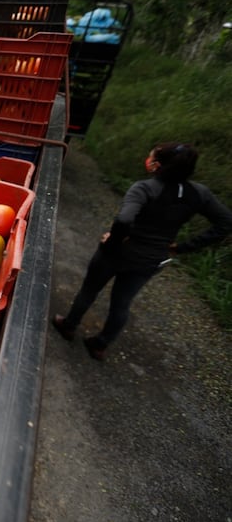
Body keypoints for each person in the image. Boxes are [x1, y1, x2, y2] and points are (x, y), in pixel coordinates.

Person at [52, 142, 232, 360]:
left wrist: (113, 241)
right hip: (149, 260)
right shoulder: (199, 194)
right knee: (122, 302)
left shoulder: (144, 189)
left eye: (151, 156)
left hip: (117, 252)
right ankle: (100, 344)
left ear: (156, 165)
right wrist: (183, 247)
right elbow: (225, 222)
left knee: (90, 289)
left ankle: (69, 325)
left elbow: (125, 218)